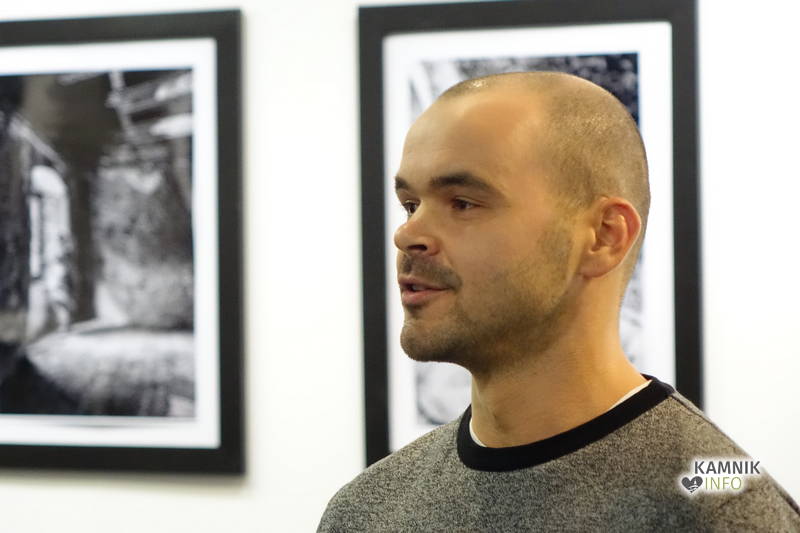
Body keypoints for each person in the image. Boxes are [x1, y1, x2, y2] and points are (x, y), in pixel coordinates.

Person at [318, 72, 800, 531]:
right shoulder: (367, 511)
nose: (407, 234)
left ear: (604, 236)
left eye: (463, 203)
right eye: (410, 205)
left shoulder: (721, 512)